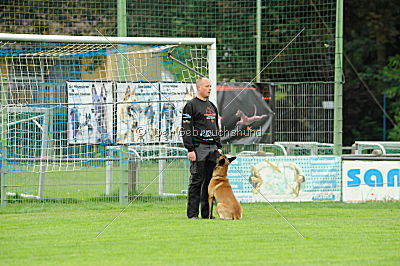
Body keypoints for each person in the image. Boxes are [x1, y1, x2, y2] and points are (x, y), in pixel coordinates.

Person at [181, 77, 222, 219]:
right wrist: (190, 149)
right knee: (197, 181)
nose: (209, 88)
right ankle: (192, 214)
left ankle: (207, 214)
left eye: (210, 86)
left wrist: (218, 146)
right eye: (207, 86)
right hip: (199, 148)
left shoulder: (212, 106)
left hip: (212, 148)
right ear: (199, 88)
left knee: (210, 181)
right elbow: (186, 128)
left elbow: (215, 127)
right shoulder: (191, 105)